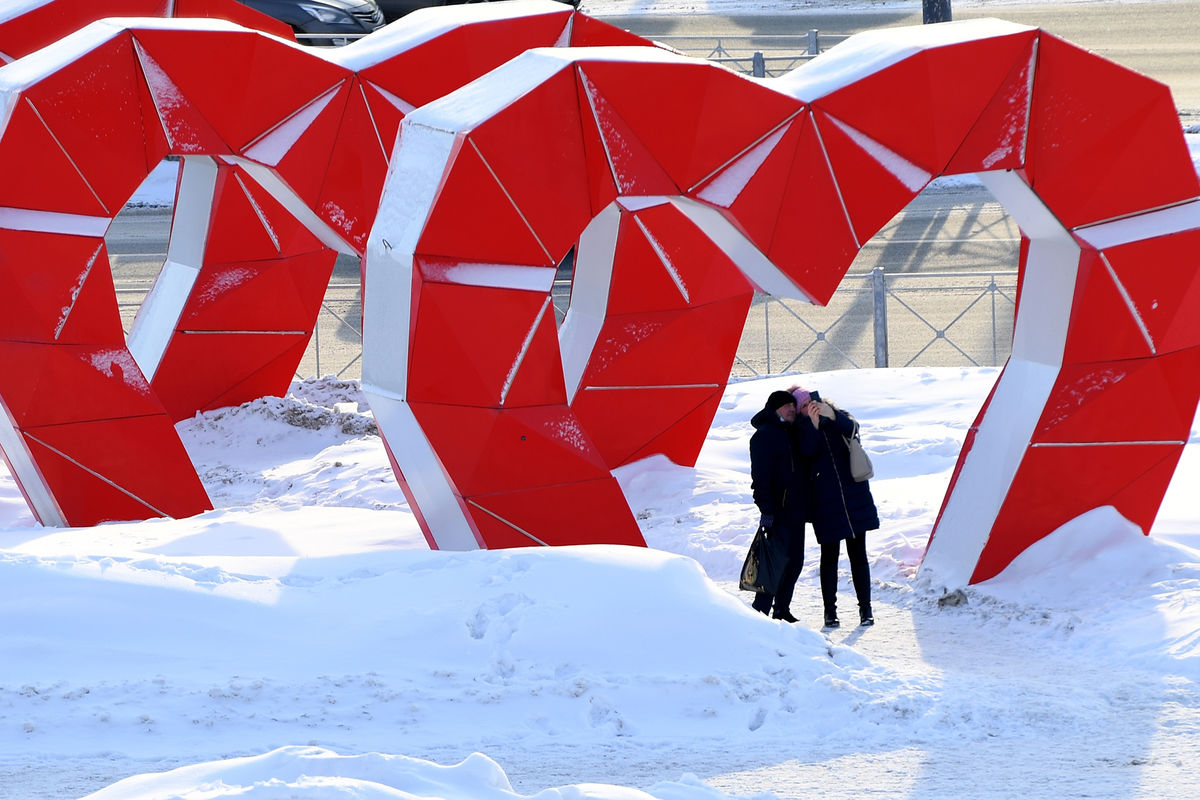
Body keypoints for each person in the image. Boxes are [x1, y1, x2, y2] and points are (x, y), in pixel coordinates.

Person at [795, 387, 879, 629]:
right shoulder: (802, 429)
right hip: (825, 501)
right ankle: (830, 612)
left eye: (812, 402)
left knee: (858, 555)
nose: (810, 407)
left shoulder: (838, 415)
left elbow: (854, 429)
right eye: (803, 406)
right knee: (829, 557)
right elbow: (807, 452)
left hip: (854, 496)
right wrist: (812, 424)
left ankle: (866, 609)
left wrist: (831, 415)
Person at [748, 389, 818, 623]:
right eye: (785, 406)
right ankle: (760, 611)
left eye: (792, 405)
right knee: (774, 564)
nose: (791, 409)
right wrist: (766, 509)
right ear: (774, 409)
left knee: (795, 563)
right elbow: (760, 478)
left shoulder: (793, 432)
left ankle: (781, 610)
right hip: (777, 513)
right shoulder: (765, 436)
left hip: (797, 512)